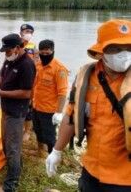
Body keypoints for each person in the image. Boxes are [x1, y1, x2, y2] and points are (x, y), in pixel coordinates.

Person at [46, 19, 131, 191]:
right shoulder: (86, 77)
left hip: (125, 178)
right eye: (115, 48)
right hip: (91, 169)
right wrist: (57, 150)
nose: (124, 54)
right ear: (101, 51)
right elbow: (71, 115)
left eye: (129, 48)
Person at [0, 34, 36, 192]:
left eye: (8, 50)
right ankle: (15, 166)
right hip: (5, 108)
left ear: (18, 48)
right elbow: (1, 75)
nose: (6, 54)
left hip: (16, 111)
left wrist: (0, 93)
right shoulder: (9, 59)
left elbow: (27, 93)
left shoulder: (27, 65)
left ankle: (10, 185)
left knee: (13, 145)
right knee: (7, 141)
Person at [30, 39, 68, 157]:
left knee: (50, 136)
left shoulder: (60, 69)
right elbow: (33, 86)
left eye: (47, 53)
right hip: (36, 106)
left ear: (53, 52)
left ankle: (53, 158)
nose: (44, 56)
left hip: (49, 111)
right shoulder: (37, 65)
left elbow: (62, 92)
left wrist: (59, 113)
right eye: (42, 53)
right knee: (38, 131)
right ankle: (40, 152)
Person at [19, 23, 39, 142]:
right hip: (17, 76)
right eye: (26, 31)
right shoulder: (16, 44)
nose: (28, 34)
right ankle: (18, 126)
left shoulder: (33, 47)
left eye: (30, 32)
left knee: (28, 105)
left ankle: (27, 130)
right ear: (20, 32)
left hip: (29, 77)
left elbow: (37, 62)